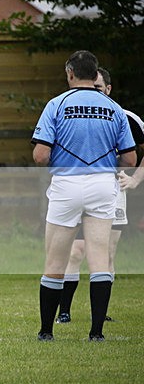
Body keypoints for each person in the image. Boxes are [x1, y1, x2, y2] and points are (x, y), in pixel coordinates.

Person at [31, 51, 136, 342]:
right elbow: (130, 159)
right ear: (95, 74)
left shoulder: (56, 104)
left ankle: (46, 331)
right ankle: (96, 332)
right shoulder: (114, 108)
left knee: (56, 260)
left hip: (66, 184)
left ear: (70, 73)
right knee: (100, 258)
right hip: (103, 185)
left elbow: (40, 156)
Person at [56, 68, 144, 324]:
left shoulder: (125, 117)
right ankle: (64, 311)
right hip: (77, 190)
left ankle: (99, 312)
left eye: (98, 88)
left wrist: (135, 179)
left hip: (111, 191)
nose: (92, 92)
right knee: (75, 251)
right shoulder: (71, 112)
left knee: (107, 253)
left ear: (108, 89)